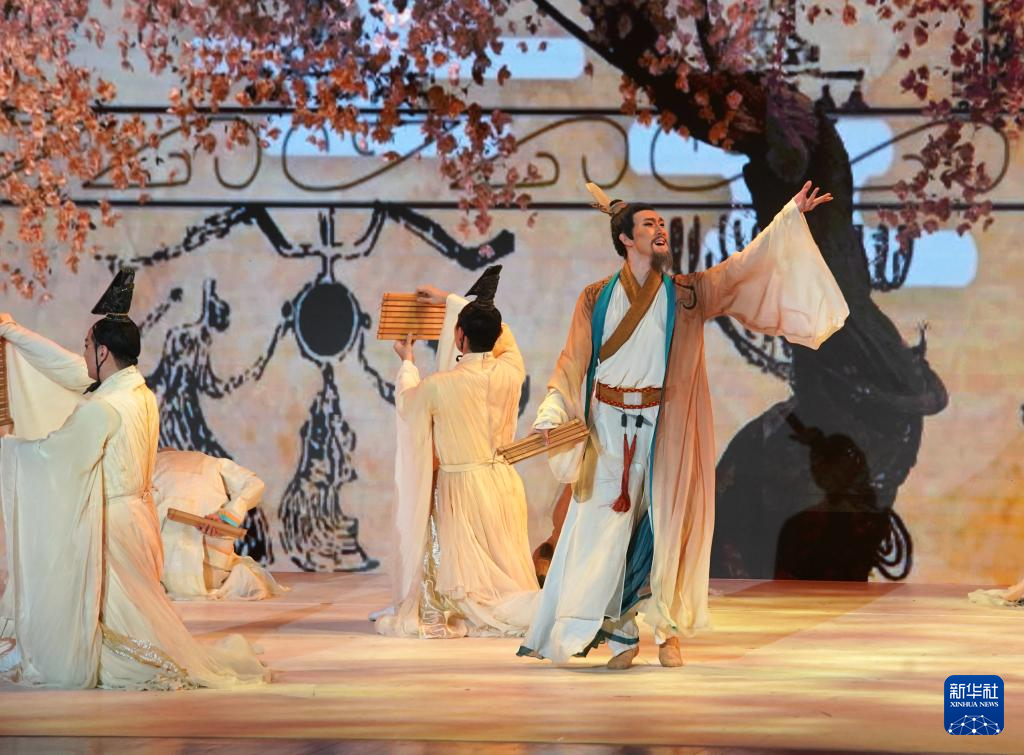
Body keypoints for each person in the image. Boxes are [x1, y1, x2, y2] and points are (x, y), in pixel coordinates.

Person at [518, 182, 848, 668]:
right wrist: (551, 411)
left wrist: (789, 217)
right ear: (625, 239)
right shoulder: (595, 297)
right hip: (608, 431)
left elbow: (740, 268)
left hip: (663, 429)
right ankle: (622, 636)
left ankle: (667, 631)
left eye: (662, 224)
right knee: (606, 535)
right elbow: (572, 362)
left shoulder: (688, 294)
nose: (660, 230)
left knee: (666, 529)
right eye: (649, 224)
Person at [0, 269, 268, 689]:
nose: (83, 354)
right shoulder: (140, 393)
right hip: (142, 519)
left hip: (112, 526)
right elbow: (70, 370)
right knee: (137, 612)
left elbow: (54, 456)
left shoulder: (102, 407)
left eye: (86, 346)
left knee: (114, 618)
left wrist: (10, 448)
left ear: (103, 352)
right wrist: (14, 333)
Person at [377, 266, 539, 638]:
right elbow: (503, 333)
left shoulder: (440, 385)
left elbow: (408, 405)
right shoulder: (511, 369)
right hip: (503, 481)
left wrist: (407, 361)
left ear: (459, 336)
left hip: (463, 485)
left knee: (479, 589)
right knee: (504, 574)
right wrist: (451, 301)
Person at [153, 448, 286, 601]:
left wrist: (225, 519)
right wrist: (228, 516)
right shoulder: (214, 463)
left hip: (157, 569)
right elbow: (255, 484)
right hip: (210, 567)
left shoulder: (149, 465)